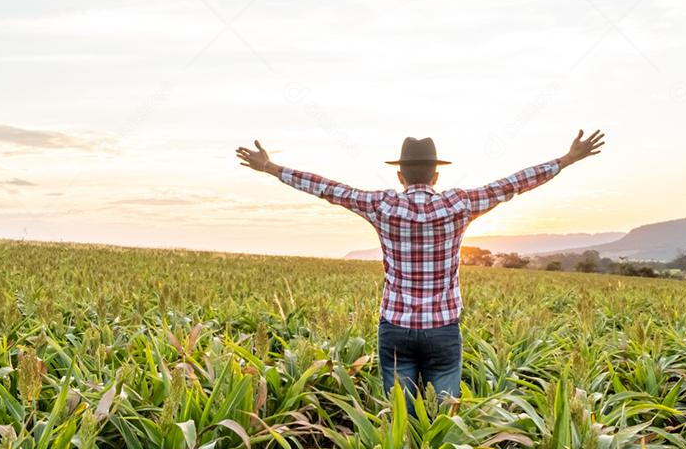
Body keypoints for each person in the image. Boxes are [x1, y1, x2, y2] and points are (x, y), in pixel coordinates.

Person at [236, 129, 605, 403]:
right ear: (436, 176)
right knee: (443, 417)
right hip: (443, 329)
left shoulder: (381, 205)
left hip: (394, 327)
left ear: (401, 176)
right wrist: (566, 159)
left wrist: (271, 167)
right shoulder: (459, 204)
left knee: (401, 416)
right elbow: (512, 184)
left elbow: (328, 188)